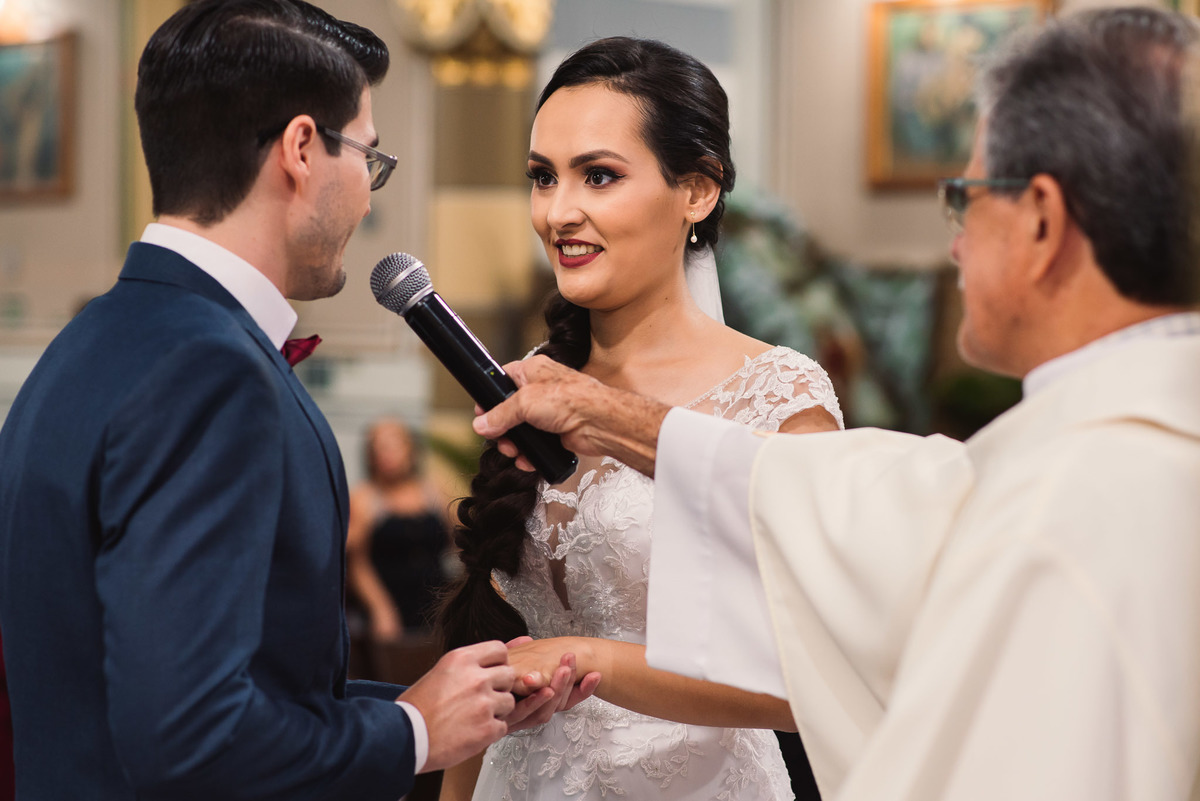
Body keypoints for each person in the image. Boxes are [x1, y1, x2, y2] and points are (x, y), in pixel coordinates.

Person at [472, 8, 1200, 801]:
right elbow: (854, 498)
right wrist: (610, 416)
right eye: (543, 176)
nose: (952, 242)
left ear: (1044, 220)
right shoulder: (1084, 450)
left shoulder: (1077, 486)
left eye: (966, 196)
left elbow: (827, 606)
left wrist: (600, 658)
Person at [0, 2, 592, 798]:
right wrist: (413, 733)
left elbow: (184, 688)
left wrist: (449, 703)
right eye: (370, 161)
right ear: (303, 148)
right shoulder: (210, 372)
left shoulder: (90, 342)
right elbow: (189, 738)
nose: (369, 200)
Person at [435, 37, 843, 801]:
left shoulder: (778, 396)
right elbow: (492, 648)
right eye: (542, 177)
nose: (559, 211)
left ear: (697, 190)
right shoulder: (534, 380)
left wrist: (595, 658)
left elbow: (814, 680)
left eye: (599, 175)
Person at [347, 417, 452, 675]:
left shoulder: (434, 491)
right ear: (370, 456)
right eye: (379, 447)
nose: (387, 454)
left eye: (395, 444)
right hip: (388, 605)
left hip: (435, 602)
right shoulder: (365, 498)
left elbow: (462, 543)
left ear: (411, 449)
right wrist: (380, 608)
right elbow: (356, 563)